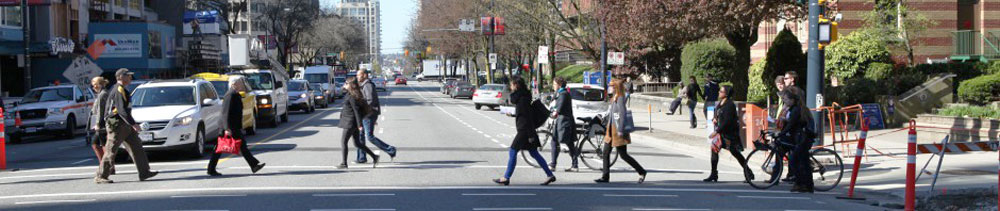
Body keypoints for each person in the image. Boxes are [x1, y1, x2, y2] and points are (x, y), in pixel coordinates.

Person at [95, 68, 158, 184]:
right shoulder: (118, 90)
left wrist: (131, 124)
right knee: (111, 150)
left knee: (137, 147)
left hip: (125, 124)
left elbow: (125, 111)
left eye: (130, 76)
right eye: (127, 76)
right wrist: (133, 124)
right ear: (120, 77)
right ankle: (101, 175)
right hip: (117, 125)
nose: (130, 78)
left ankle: (144, 172)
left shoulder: (123, 89)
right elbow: (121, 110)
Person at [493, 76, 556, 186]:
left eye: (512, 84)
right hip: (527, 129)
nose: (511, 87)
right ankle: (550, 175)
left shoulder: (521, 99)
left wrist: (531, 135)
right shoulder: (524, 97)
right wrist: (513, 113)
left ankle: (506, 177)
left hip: (525, 130)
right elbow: (524, 114)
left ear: (516, 85)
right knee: (534, 153)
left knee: (513, 151)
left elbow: (526, 117)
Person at [207, 77, 266, 176]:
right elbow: (225, 113)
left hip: (233, 126)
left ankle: (254, 165)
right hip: (230, 127)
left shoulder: (234, 94)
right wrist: (227, 128)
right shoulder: (230, 95)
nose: (242, 85)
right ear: (234, 84)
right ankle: (211, 169)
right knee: (222, 148)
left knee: (236, 146)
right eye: (240, 83)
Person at [595, 78, 647, 184]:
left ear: (616, 87)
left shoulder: (620, 98)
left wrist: (621, 129)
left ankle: (641, 171)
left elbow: (622, 114)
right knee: (605, 153)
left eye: (611, 86)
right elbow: (613, 113)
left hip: (617, 129)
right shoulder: (615, 97)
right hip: (610, 129)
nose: (610, 87)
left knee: (623, 155)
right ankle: (605, 177)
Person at [704, 85, 754, 182]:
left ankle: (749, 173)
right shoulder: (721, 103)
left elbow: (727, 121)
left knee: (736, 153)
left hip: (729, 134)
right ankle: (714, 173)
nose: (719, 92)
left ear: (726, 94)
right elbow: (718, 113)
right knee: (714, 149)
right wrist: (715, 118)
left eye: (721, 91)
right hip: (722, 133)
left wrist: (716, 131)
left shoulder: (729, 105)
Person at [778, 89, 815, 193]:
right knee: (802, 162)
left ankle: (802, 184)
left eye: (786, 99)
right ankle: (805, 185)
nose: (784, 101)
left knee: (795, 160)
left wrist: (780, 134)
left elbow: (791, 124)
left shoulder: (797, 110)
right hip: (802, 138)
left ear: (792, 100)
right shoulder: (796, 109)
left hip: (804, 139)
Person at [355, 69, 397, 164]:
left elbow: (370, 101)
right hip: (365, 114)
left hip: (368, 114)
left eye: (359, 75)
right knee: (360, 135)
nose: (357, 77)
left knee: (369, 136)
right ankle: (361, 157)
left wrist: (364, 109)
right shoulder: (363, 85)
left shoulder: (368, 85)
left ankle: (391, 149)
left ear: (365, 75)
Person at [338, 77, 379, 169]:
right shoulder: (350, 94)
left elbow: (356, 111)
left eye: (346, 83)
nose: (345, 84)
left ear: (351, 85)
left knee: (343, 141)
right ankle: (374, 157)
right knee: (357, 143)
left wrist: (359, 124)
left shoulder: (352, 96)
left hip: (350, 122)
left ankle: (344, 163)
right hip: (351, 121)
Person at [549, 77, 579, 172]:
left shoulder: (563, 94)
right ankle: (574, 165)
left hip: (564, 122)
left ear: (559, 85)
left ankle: (554, 164)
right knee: (566, 143)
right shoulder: (562, 93)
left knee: (558, 142)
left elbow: (559, 109)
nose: (553, 86)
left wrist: (553, 114)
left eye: (554, 84)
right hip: (563, 122)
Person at [88, 77, 111, 173]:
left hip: (102, 124)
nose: (93, 87)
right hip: (102, 123)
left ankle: (106, 167)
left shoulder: (103, 94)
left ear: (100, 84)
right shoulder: (101, 94)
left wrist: (97, 124)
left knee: (100, 144)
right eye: (93, 86)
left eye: (94, 85)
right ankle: (105, 166)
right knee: (99, 144)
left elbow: (101, 111)